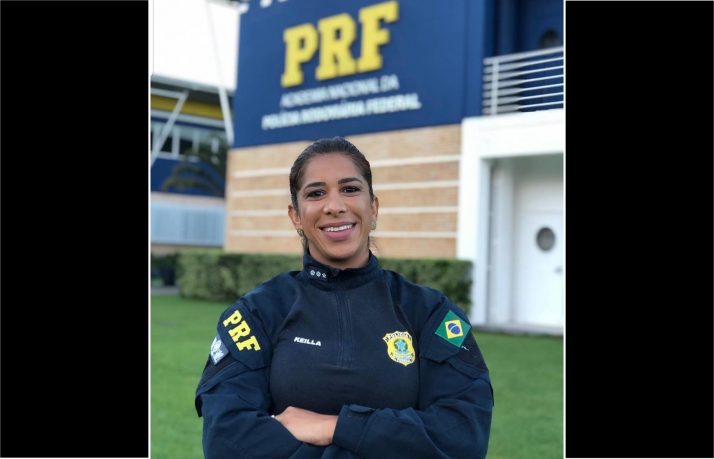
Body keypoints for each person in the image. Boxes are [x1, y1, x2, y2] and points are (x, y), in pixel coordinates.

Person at [195, 137, 493, 459]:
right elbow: (227, 440)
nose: (334, 205)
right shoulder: (257, 314)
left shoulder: (431, 314)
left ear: (373, 208)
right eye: (316, 193)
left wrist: (335, 427)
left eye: (350, 189)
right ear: (296, 216)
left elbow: (463, 436)